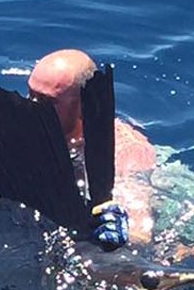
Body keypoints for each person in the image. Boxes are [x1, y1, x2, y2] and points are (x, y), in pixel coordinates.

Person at [28, 49, 158, 248]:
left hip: (168, 198)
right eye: (31, 95)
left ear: (83, 105)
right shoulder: (29, 129)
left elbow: (141, 233)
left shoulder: (127, 151)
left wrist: (120, 229)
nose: (32, 106)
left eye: (47, 101)